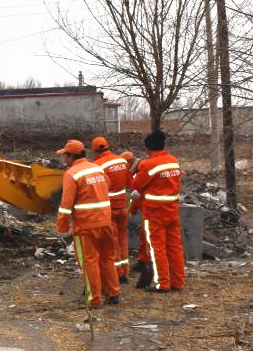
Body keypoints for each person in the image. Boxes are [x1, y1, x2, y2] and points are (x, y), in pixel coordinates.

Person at [54, 139, 119, 308]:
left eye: (64, 156)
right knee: (107, 259)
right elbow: (108, 184)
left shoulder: (71, 174)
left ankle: (95, 299)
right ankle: (113, 293)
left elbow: (66, 205)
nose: (64, 160)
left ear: (71, 156)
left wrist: (61, 226)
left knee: (89, 262)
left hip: (86, 226)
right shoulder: (97, 168)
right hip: (106, 222)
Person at [131, 131, 184, 292]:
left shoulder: (149, 165)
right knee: (175, 247)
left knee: (157, 249)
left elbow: (136, 186)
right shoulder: (173, 162)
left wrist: (135, 169)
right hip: (173, 211)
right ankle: (177, 282)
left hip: (155, 214)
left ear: (148, 148)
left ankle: (163, 284)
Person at [91, 137, 132, 283]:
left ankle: (117, 273)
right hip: (122, 207)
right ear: (108, 146)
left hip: (109, 209)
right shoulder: (121, 161)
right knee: (123, 240)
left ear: (94, 150)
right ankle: (125, 272)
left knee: (111, 243)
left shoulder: (97, 166)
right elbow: (129, 182)